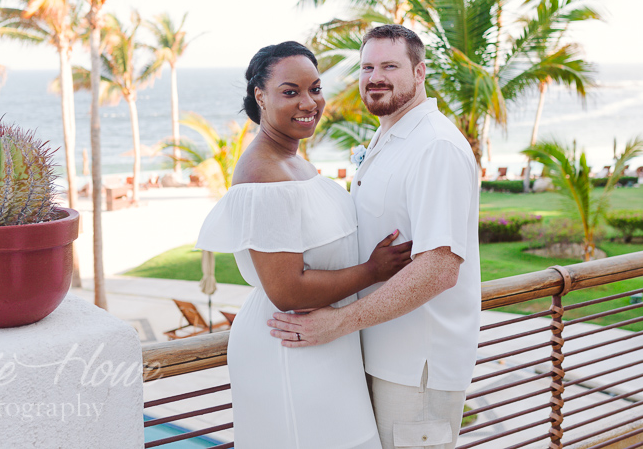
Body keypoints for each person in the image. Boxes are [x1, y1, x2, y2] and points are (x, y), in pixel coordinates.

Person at [268, 25, 481, 449]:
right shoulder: (391, 135)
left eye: (390, 66)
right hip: (377, 354)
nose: (375, 77)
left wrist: (339, 323)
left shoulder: (435, 146)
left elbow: (439, 268)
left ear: (419, 73)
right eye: (367, 66)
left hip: (416, 367)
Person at [195, 40, 413, 449]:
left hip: (327, 344)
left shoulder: (294, 160)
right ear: (260, 96)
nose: (308, 102)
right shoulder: (263, 175)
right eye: (290, 92)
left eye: (315, 88)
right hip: (289, 349)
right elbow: (286, 290)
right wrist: (373, 270)